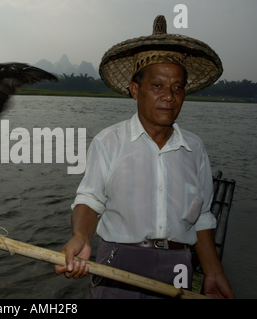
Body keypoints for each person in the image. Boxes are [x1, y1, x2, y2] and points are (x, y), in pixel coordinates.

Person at [54, 16, 234, 299]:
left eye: (177, 87)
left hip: (178, 265)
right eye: (158, 86)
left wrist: (213, 272)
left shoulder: (195, 148)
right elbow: (90, 199)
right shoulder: (109, 141)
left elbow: (202, 218)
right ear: (136, 90)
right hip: (120, 261)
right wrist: (81, 237)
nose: (169, 97)